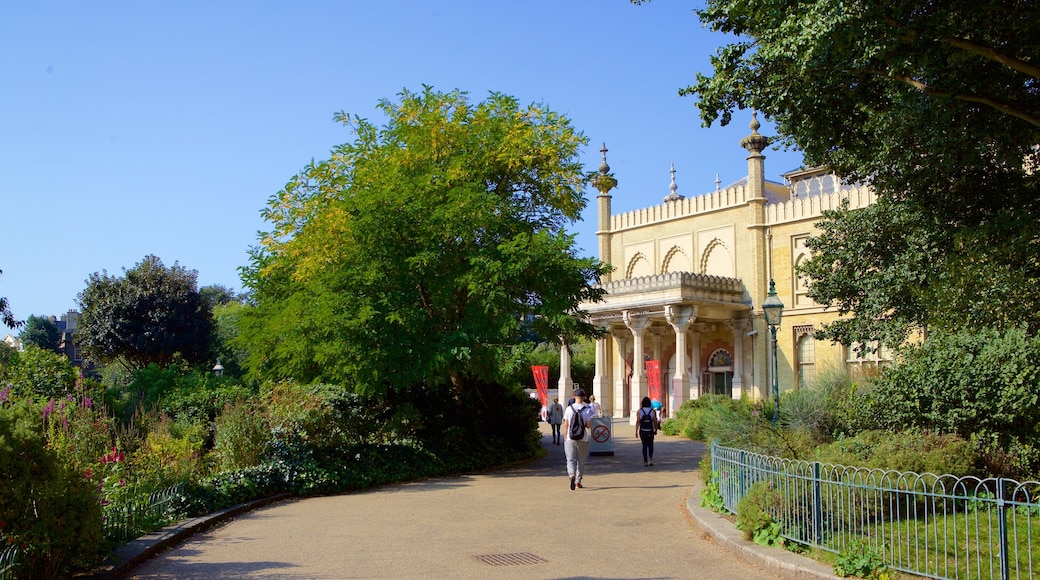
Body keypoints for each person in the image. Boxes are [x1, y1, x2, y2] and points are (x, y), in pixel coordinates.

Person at [562, 388, 595, 490]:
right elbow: (588, 426)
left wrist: (565, 436)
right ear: (584, 397)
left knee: (570, 459)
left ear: (574, 397)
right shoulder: (587, 410)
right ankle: (577, 481)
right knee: (581, 460)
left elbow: (566, 425)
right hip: (583, 438)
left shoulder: (568, 409)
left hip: (570, 437)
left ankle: (571, 474)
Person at [635, 396, 660, 467]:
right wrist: (656, 429)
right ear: (649, 403)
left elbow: (638, 422)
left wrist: (636, 431)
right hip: (650, 431)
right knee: (650, 445)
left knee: (644, 446)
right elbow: (655, 421)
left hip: (643, 431)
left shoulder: (640, 411)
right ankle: (650, 459)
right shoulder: (652, 411)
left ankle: (645, 461)